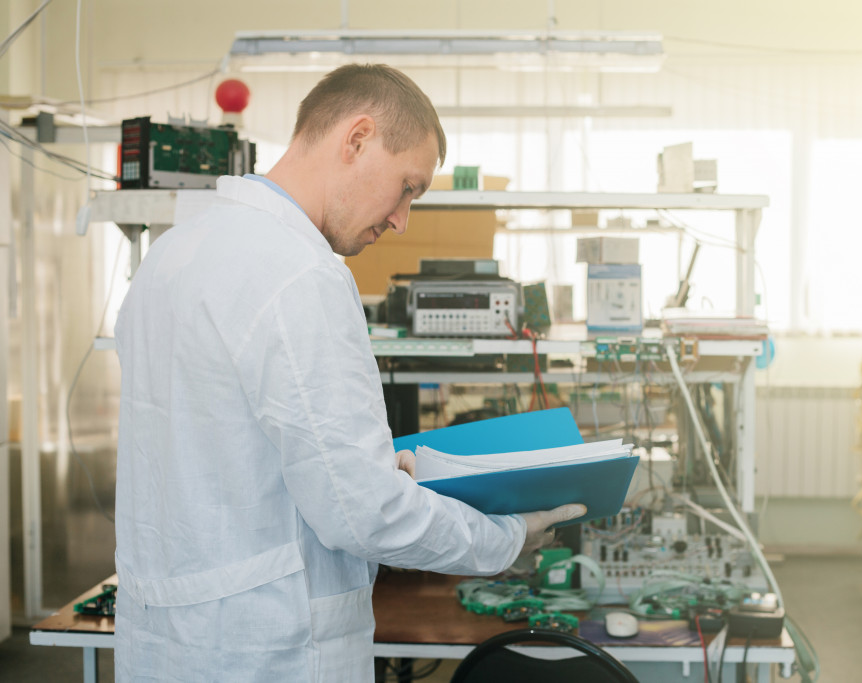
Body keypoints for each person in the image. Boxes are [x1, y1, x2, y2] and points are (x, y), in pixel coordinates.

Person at [113, 63, 585, 682]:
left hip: (168, 641)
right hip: (270, 649)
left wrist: (357, 465)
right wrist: (505, 538)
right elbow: (365, 513)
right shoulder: (300, 273)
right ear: (357, 139)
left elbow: (215, 448)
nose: (401, 220)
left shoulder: (175, 251)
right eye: (408, 187)